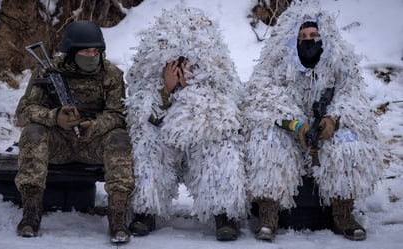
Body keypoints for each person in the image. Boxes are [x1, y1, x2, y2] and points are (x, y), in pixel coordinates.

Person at [242, 1, 383, 242]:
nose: (308, 40)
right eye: (303, 36)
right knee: (265, 141)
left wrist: (332, 121)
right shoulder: (275, 65)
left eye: (314, 35)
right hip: (290, 134)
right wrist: (295, 125)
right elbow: (262, 99)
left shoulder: (339, 66)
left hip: (325, 135)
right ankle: (268, 214)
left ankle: (343, 213)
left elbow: (353, 98)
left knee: (349, 143)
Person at [124, 6, 247, 241]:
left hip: (201, 142)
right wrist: (166, 91)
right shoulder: (149, 76)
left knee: (221, 145)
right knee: (148, 143)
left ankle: (224, 214)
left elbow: (229, 114)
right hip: (163, 140)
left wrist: (193, 93)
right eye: (175, 61)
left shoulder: (219, 75)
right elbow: (139, 114)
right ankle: (146, 210)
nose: (182, 66)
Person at [14, 20, 134, 243]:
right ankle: (31, 213)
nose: (92, 55)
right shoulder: (49, 71)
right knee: (32, 133)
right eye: (86, 51)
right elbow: (22, 112)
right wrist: (55, 117)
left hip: (93, 143)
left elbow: (118, 115)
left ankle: (117, 217)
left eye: (96, 50)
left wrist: (94, 126)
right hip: (58, 143)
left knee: (119, 138)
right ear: (71, 51)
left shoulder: (111, 74)